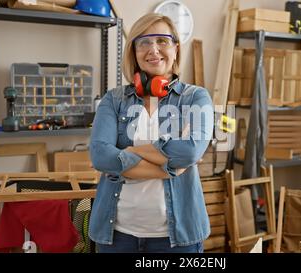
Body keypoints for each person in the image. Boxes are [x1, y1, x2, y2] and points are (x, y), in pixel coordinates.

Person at [88, 13, 214, 253]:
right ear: (133, 52)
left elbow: (189, 152)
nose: (153, 49)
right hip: (116, 236)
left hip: (177, 239)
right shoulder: (114, 100)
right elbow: (100, 156)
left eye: (162, 41)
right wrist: (168, 169)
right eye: (144, 42)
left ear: (176, 48)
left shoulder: (195, 98)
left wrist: (127, 152)